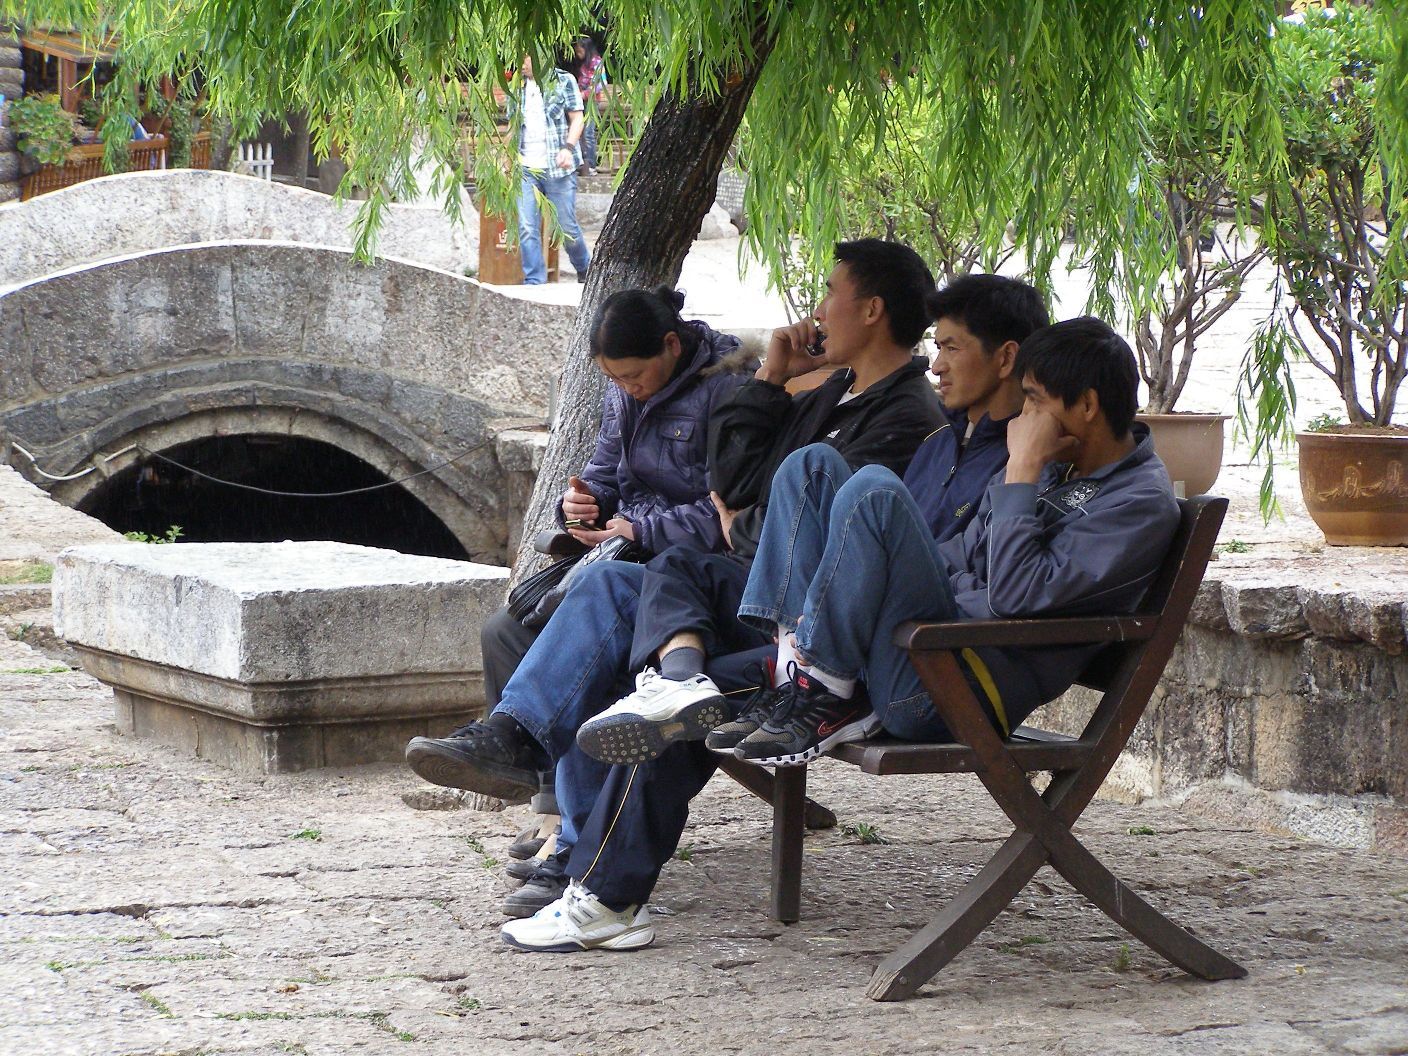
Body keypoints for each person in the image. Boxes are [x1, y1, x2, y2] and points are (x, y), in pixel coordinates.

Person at [527, 317, 1176, 954]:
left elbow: (1009, 598)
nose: (1024, 418)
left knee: (870, 489)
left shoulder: (1133, 503)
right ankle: (606, 898)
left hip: (950, 688)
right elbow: (953, 561)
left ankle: (814, 684)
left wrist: (1022, 470)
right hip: (896, 658)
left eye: (1034, 402)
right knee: (691, 697)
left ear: (1086, 406)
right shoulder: (1057, 468)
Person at [412, 239, 946, 921]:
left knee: (636, 677)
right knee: (603, 595)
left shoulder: (903, 419)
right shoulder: (833, 394)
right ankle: (517, 735)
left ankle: (586, 862)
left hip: (801, 625)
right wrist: (770, 380)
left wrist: (732, 521)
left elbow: (805, 541)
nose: (817, 309)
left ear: (870, 310)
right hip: (736, 584)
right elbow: (738, 481)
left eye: (830, 292)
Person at [405, 287, 752, 906]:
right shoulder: (625, 393)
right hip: (628, 555)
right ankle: (544, 793)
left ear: (672, 346)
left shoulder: (729, 390)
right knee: (507, 631)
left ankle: (558, 816)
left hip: (695, 575)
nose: (630, 388)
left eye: (637, 375)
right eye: (615, 378)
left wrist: (641, 528)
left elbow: (734, 509)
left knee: (596, 633)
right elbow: (606, 470)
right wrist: (585, 502)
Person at [513, 54, 592, 284]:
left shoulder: (564, 80)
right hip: (527, 166)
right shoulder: (517, 87)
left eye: (525, 58)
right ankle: (534, 280)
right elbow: (514, 125)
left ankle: (584, 268)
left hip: (558, 167)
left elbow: (577, 118)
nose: (521, 64)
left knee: (566, 227)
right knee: (527, 226)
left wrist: (568, 148)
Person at [571, 35, 608, 174]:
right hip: (581, 102)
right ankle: (581, 163)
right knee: (579, 132)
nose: (578, 54)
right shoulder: (584, 65)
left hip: (592, 102)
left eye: (579, 51)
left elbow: (601, 84)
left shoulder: (597, 63)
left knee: (588, 132)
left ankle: (591, 164)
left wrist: (584, 94)